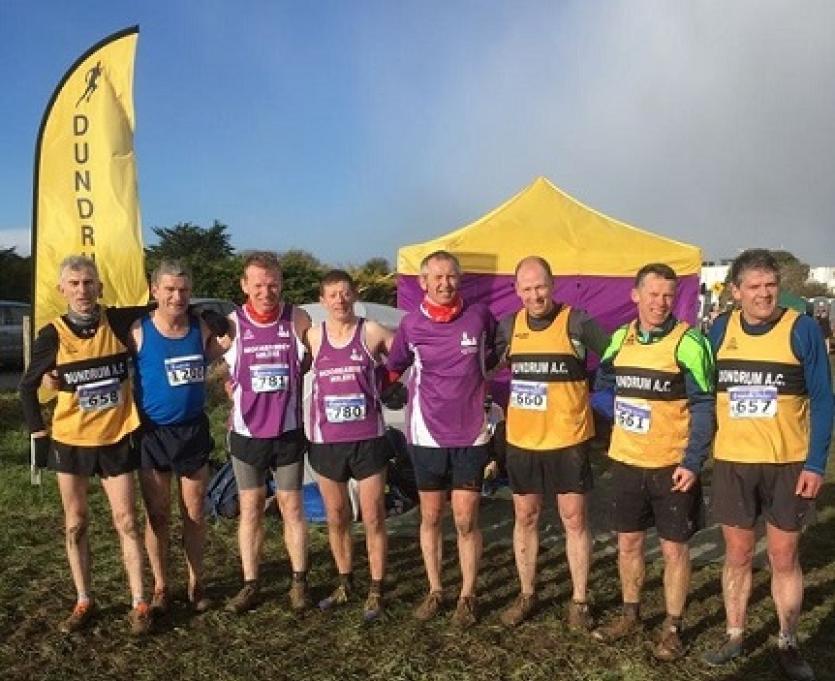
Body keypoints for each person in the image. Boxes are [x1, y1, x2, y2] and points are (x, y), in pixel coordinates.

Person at [703, 249, 832, 681]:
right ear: (735, 291)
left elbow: (824, 399)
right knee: (738, 554)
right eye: (754, 287)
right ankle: (735, 634)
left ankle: (788, 642)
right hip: (734, 464)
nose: (764, 295)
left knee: (783, 555)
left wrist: (816, 464)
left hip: (787, 465)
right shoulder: (720, 330)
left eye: (771, 286)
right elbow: (701, 391)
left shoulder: (803, 330)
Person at [19, 255, 152, 635]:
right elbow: (27, 388)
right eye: (74, 284)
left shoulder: (120, 320)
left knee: (126, 521)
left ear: (100, 287)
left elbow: (166, 305)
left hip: (115, 437)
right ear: (62, 289)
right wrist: (38, 434)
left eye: (89, 283)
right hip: (71, 441)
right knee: (76, 524)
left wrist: (211, 320)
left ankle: (139, 601)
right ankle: (84, 598)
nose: (82, 290)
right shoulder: (51, 334)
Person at [591, 263, 715, 659]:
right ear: (636, 295)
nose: (661, 303)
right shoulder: (619, 339)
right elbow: (602, 388)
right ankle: (631, 614)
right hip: (627, 462)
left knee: (674, 550)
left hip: (671, 466)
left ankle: (673, 626)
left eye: (668, 295)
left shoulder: (690, 342)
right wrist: (622, 414)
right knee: (628, 544)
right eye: (653, 294)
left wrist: (693, 461)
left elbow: (705, 406)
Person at [493, 256, 609, 629]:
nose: (535, 295)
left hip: (568, 439)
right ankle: (526, 593)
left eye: (540, 286)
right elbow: (484, 363)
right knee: (524, 517)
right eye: (526, 289)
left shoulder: (578, 321)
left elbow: (618, 357)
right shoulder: (509, 325)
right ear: (517, 291)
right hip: (523, 441)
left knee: (574, 519)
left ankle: (579, 600)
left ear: (552, 283)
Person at [386, 250, 496, 627]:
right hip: (426, 435)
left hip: (470, 435)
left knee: (466, 518)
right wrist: (386, 389)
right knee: (431, 516)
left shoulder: (480, 317)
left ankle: (468, 595)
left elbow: (493, 355)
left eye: (451, 277)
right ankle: (435, 590)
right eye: (438, 277)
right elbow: (394, 366)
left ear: (459, 279)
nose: (445, 284)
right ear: (423, 282)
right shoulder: (412, 325)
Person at [131, 260, 229, 616]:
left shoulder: (200, 328)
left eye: (184, 290)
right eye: (170, 289)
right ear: (155, 290)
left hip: (192, 431)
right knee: (157, 515)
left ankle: (196, 582)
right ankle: (160, 586)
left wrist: (222, 324)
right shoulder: (138, 331)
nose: (177, 296)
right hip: (153, 434)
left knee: (195, 513)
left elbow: (229, 345)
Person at [221, 251, 312, 614]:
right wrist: (228, 382)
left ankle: (299, 581)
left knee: (291, 506)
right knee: (251, 508)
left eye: (272, 284)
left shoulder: (297, 318)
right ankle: (250, 583)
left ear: (281, 284)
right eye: (258, 285)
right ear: (245, 285)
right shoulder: (232, 323)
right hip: (247, 434)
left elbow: (316, 356)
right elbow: (206, 357)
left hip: (288, 431)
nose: (266, 291)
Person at [304, 270, 394, 622]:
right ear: (323, 300)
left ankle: (376, 590)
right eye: (332, 294)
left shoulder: (369, 331)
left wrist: (393, 382)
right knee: (337, 517)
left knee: (372, 516)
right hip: (327, 442)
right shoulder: (313, 335)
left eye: (345, 293)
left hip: (368, 439)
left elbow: (406, 352)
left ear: (354, 294)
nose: (339, 300)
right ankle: (345, 583)